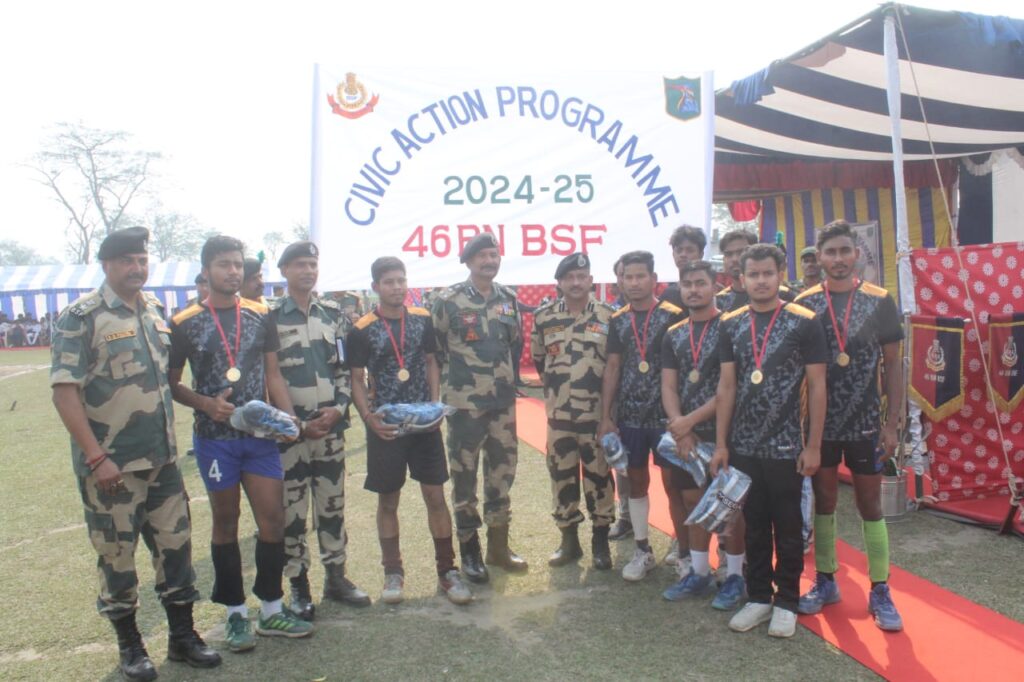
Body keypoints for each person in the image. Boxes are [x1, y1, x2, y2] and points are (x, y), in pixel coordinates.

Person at [50, 227, 220, 681]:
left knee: (176, 550)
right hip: (112, 466)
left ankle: (182, 637)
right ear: (106, 265)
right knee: (117, 556)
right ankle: (130, 646)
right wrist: (96, 458)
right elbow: (65, 392)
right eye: (127, 260)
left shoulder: (155, 311)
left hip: (162, 461)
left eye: (142, 260)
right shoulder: (82, 317)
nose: (137, 268)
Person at [169, 235, 312, 652]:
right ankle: (234, 614)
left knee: (273, 520)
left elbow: (273, 375)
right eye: (224, 265)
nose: (233, 272)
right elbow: (172, 383)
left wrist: (290, 420)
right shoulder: (184, 322)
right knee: (226, 522)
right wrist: (205, 404)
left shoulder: (260, 314)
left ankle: (271, 608)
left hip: (260, 438)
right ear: (206, 271)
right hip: (215, 440)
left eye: (237, 264)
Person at [712, 243, 827, 638]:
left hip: (787, 444)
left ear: (781, 274)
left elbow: (817, 385)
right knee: (755, 524)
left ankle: (788, 600)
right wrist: (722, 443)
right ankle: (759, 596)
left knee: (789, 525)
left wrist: (813, 445)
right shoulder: (730, 324)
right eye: (753, 274)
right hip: (744, 445)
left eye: (767, 273)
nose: (760, 281)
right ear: (741, 279)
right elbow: (727, 386)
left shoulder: (804, 321)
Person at [795, 220, 905, 631]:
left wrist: (891, 424)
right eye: (831, 252)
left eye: (845, 251)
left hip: (865, 423)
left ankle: (880, 589)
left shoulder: (879, 300)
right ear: (819, 257)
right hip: (819, 426)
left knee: (869, 505)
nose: (838, 259)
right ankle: (826, 581)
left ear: (857, 254)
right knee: (824, 502)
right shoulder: (804, 304)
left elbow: (894, 365)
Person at [348, 257, 473, 605]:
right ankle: (393, 572)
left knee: (435, 496)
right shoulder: (361, 329)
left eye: (401, 280)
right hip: (387, 426)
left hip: (424, 425)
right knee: (388, 500)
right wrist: (368, 417)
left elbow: (432, 362)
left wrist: (434, 405)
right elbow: (356, 379)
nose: (397, 287)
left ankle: (447, 570)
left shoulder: (421, 318)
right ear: (375, 287)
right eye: (389, 282)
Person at [268, 241, 369, 621]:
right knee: (292, 511)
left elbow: (344, 369)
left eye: (312, 264)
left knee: (332, 505)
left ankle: (336, 577)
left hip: (329, 429)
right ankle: (299, 585)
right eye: (299, 264)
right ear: (284, 270)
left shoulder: (333, 314)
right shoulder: (269, 317)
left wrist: (338, 408)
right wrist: (294, 422)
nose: (307, 271)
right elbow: (266, 376)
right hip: (289, 435)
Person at [431, 232, 528, 583]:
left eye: (494, 255)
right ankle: (470, 551)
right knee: (464, 477)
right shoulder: (448, 300)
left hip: (502, 403)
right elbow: (437, 348)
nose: (489, 261)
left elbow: (513, 343)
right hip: (465, 406)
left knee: (502, 473)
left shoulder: (509, 299)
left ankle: (498, 548)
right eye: (482, 256)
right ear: (469, 261)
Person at [660, 260, 747, 609]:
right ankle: (698, 573)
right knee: (692, 502)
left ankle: (735, 576)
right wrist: (680, 426)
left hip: (725, 432)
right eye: (687, 284)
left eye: (700, 283)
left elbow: (730, 386)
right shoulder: (674, 333)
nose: (693, 289)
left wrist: (688, 422)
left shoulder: (732, 326)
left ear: (715, 286)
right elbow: (669, 385)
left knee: (730, 506)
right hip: (687, 437)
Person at [599, 250, 685, 582]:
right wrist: (606, 416)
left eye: (640, 276)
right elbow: (613, 367)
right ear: (620, 281)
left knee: (674, 485)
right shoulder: (618, 320)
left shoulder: (674, 316)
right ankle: (642, 550)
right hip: (631, 416)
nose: (634, 283)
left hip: (667, 418)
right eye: (628, 277)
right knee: (636, 482)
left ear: (653, 279)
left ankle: (682, 550)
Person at [531, 253, 616, 570]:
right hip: (559, 417)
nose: (576, 282)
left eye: (582, 276)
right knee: (561, 475)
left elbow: (615, 367)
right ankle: (569, 541)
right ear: (560, 282)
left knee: (599, 476)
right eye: (570, 277)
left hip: (596, 417)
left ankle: (600, 541)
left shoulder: (609, 316)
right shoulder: (544, 317)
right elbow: (540, 360)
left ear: (591, 280)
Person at [606, 256, 633, 541]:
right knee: (621, 462)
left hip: (656, 399)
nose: (629, 280)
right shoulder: (609, 314)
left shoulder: (665, 311)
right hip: (619, 399)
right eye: (624, 274)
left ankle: (681, 535)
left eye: (636, 274)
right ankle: (625, 516)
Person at [716, 230, 796, 312]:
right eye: (729, 254)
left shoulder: (783, 295)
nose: (734, 259)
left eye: (741, 252)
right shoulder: (718, 300)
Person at [660, 224, 708, 311]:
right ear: (673, 254)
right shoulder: (667, 294)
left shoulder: (712, 291)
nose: (683, 255)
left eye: (689, 250)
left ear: (701, 254)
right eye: (679, 250)